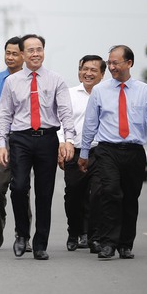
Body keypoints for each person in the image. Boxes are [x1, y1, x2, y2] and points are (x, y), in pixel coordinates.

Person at [79, 45, 147, 260]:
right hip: (108, 150)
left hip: (134, 151)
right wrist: (85, 152)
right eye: (109, 63)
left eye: (116, 62)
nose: (112, 67)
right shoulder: (100, 91)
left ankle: (125, 244)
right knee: (110, 192)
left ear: (129, 63)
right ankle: (108, 243)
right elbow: (90, 124)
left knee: (129, 197)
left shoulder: (144, 91)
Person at [0, 34, 75, 260]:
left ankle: (41, 243)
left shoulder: (56, 80)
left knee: (44, 192)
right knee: (19, 187)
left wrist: (68, 140)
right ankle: (22, 234)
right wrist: (2, 144)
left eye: (39, 49)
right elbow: (4, 114)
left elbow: (65, 113)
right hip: (20, 139)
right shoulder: (12, 82)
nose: (35, 54)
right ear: (22, 54)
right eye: (30, 50)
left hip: (47, 139)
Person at [0, 37, 31, 251]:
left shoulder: (31, 80)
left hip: (25, 139)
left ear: (24, 56)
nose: (10, 57)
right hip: (1, 139)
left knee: (22, 189)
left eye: (14, 54)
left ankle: (23, 235)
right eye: (7, 53)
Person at [57, 55, 105, 252]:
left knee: (98, 193)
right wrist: (61, 145)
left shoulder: (107, 94)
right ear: (79, 72)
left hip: (100, 151)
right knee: (74, 195)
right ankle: (74, 231)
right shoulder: (68, 94)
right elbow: (60, 121)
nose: (88, 73)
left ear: (102, 74)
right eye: (85, 69)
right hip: (73, 150)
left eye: (93, 70)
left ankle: (93, 236)